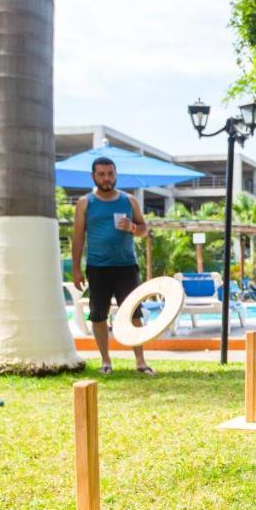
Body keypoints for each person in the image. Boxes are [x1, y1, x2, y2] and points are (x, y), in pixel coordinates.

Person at [71, 156, 154, 376]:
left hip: (126, 265)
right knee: (98, 315)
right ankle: (106, 361)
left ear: (116, 174)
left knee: (133, 313)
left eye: (110, 174)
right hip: (97, 267)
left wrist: (132, 228)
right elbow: (78, 237)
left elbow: (144, 229)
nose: (106, 178)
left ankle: (140, 361)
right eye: (102, 174)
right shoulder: (85, 203)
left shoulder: (129, 201)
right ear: (94, 176)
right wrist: (76, 269)